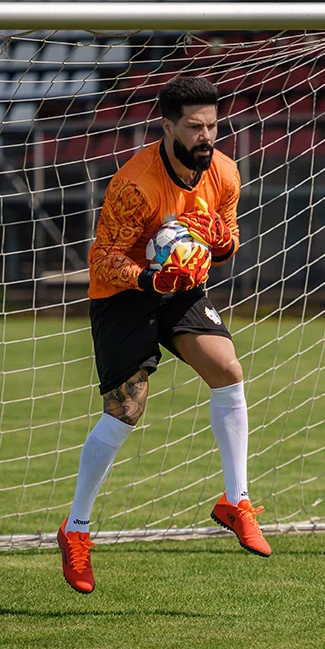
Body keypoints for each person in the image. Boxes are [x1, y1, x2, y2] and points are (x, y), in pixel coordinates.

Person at [57, 76, 271, 595]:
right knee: (126, 409)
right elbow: (103, 258)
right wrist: (151, 277)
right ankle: (76, 529)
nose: (206, 136)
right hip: (122, 291)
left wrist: (222, 245)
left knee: (228, 369)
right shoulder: (135, 185)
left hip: (181, 287)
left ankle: (235, 501)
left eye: (213, 125)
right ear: (167, 126)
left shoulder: (224, 171)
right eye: (195, 126)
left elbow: (228, 237)